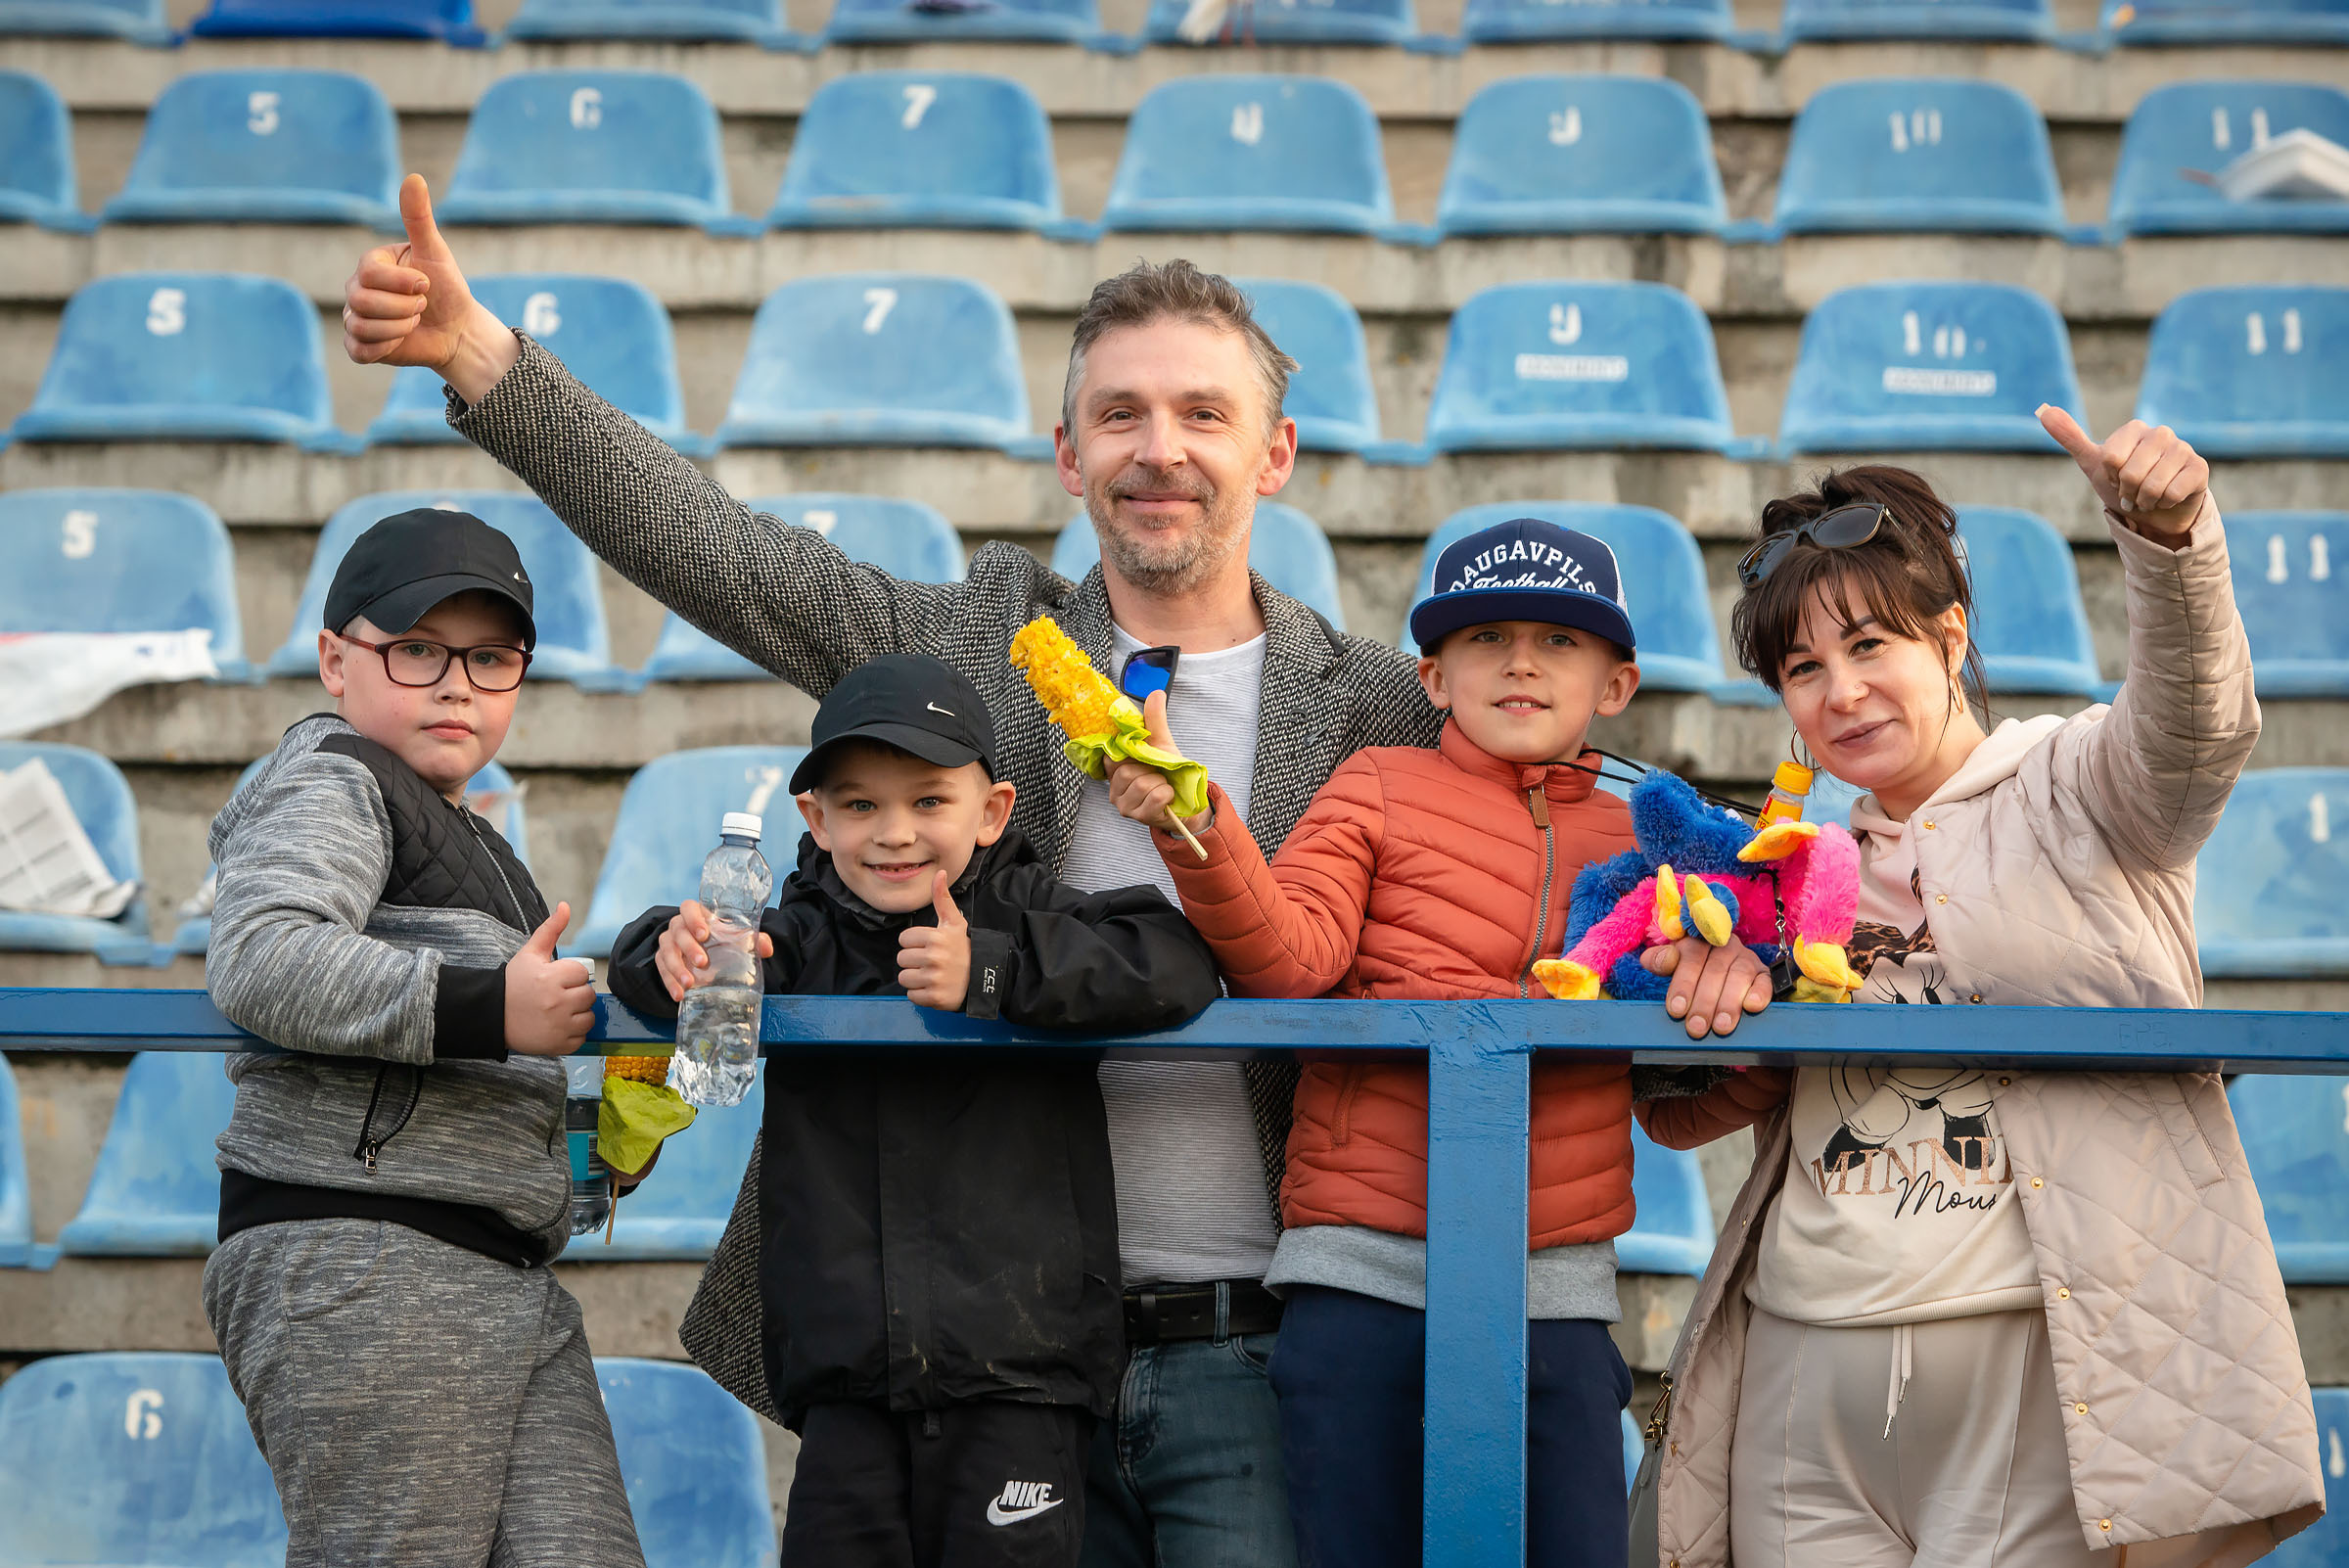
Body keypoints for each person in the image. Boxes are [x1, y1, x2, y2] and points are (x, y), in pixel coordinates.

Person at [337, 179, 1758, 1565]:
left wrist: (1725, 935)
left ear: (1275, 454)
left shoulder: (1385, 705)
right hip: (981, 1339)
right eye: (1120, 414)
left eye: (1205, 414)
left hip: (1260, 1338)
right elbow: (728, 556)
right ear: (1068, 454)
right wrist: (483, 359)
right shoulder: (978, 647)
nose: (1160, 449)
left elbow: (1601, 831)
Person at [1639, 410, 2326, 1568]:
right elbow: (1685, 1109)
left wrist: (2171, 546)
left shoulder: (2082, 787)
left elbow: (2197, 730)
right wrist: (1709, 999)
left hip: (2030, 1371)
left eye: (1870, 646)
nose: (1840, 693)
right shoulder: (1789, 869)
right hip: (1801, 1369)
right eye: (1803, 669)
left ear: (1950, 636)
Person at [1100, 517, 1771, 1568]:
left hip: (1554, 1292)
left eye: (1559, 641)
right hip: (1355, 1282)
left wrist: (1759, 1044)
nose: (1520, 662)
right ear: (1432, 677)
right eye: (1486, 637)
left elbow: (1677, 1110)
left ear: (1617, 685)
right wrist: (1199, 824)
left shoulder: (1653, 845)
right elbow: (1290, 960)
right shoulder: (1377, 782)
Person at [605, 655, 1221, 1567]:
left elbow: (1177, 960)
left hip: (1022, 1378)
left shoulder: (1027, 911)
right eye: (861, 805)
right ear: (816, 820)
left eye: (929, 800)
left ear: (993, 811)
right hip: (846, 1382)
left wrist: (994, 975)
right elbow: (656, 963)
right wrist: (666, 952)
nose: (895, 833)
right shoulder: (796, 935)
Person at [200, 508, 646, 1568]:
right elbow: (261, 954)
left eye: (491, 658)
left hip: (503, 1265)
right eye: (417, 649)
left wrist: (613, 1131)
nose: (457, 685)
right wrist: (493, 1008)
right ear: (335, 661)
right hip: (369, 1254)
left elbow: (491, 1072)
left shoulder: (477, 842)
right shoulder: (333, 776)